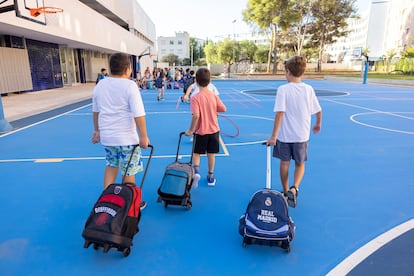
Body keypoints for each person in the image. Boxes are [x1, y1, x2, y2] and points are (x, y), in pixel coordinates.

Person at [91, 52, 150, 209]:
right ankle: (130, 203)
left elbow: (95, 111)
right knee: (128, 169)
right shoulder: (130, 86)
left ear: (110, 69)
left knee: (111, 165)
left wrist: (96, 131)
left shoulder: (100, 85)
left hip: (108, 137)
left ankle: (106, 198)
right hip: (126, 138)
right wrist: (143, 136)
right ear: (128, 69)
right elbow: (138, 114)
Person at [266, 56, 322, 208]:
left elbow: (280, 113)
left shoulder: (283, 90)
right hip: (301, 135)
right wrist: (317, 124)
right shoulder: (309, 89)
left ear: (288, 72)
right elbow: (318, 110)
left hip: (285, 136)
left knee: (284, 163)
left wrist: (273, 136)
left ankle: (285, 191)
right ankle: (294, 188)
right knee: (300, 163)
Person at [184, 68, 227, 187]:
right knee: (211, 154)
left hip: (200, 130)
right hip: (213, 130)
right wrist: (213, 108)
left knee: (197, 152)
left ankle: (196, 171)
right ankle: (211, 176)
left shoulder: (195, 97)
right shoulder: (213, 95)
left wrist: (191, 130)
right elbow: (224, 108)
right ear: (209, 81)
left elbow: (196, 115)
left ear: (196, 81)